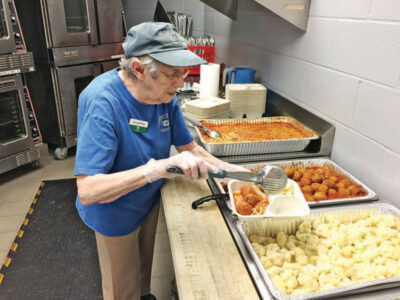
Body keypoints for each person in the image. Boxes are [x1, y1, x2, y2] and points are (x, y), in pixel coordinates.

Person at [74, 22, 245, 300]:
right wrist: (155, 169)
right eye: (172, 75)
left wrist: (235, 172)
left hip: (146, 199)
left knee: (142, 274)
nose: (181, 83)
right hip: (114, 212)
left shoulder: (164, 95)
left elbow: (190, 147)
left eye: (183, 73)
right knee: (122, 289)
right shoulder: (102, 102)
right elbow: (89, 190)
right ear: (139, 69)